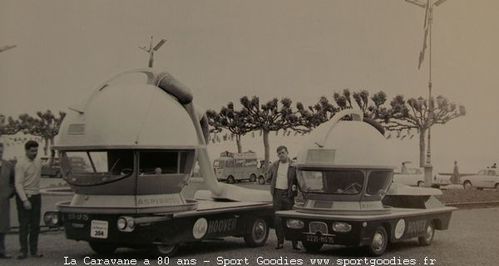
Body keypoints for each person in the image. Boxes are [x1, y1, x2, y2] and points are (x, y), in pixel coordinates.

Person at [15, 140, 43, 259]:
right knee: (24, 225)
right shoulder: (20, 164)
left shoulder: (38, 161)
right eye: (32, 151)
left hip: (36, 196)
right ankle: (23, 251)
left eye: (36, 150)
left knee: (35, 225)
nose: (34, 153)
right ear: (26, 150)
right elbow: (18, 184)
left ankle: (34, 250)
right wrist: (25, 200)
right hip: (25, 196)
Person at [268, 145, 299, 250]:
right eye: (279, 153)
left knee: (292, 219)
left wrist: (294, 189)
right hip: (277, 194)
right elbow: (269, 177)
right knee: (277, 220)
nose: (281, 155)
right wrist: (272, 186)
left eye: (283, 153)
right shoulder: (274, 165)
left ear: (287, 153)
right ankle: (280, 242)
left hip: (288, 195)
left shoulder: (293, 166)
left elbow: (297, 180)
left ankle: (295, 243)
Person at [0, 143, 15, 259]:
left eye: (1, 152)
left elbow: (12, 181)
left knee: (2, 226)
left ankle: (2, 250)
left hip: (3, 200)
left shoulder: (8, 165)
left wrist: (9, 192)